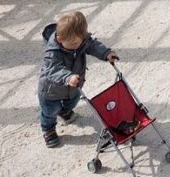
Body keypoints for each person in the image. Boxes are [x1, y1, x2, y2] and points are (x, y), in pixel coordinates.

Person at [37, 10, 118, 148]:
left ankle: (64, 110)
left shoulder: (81, 41)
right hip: (51, 90)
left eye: (79, 42)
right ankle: (48, 129)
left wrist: (106, 53)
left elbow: (92, 45)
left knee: (72, 102)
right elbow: (53, 69)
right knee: (50, 111)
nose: (77, 46)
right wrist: (67, 77)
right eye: (73, 44)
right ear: (59, 39)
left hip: (74, 85)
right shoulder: (53, 52)